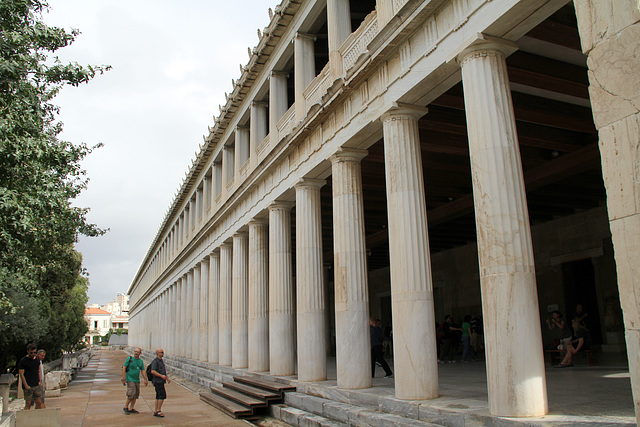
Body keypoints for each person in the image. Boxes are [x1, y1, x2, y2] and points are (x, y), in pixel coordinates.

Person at [121, 347, 148, 414]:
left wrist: (145, 379)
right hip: (130, 379)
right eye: (135, 351)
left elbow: (143, 370)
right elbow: (124, 367)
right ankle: (126, 407)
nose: (136, 353)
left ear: (140, 353)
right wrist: (124, 378)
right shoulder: (129, 359)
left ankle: (131, 408)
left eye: (138, 352)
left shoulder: (140, 361)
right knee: (131, 394)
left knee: (136, 395)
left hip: (136, 380)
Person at [18, 343, 43, 410]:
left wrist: (39, 381)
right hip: (28, 385)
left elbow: (39, 371)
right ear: (28, 351)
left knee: (39, 402)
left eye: (34, 352)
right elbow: (21, 374)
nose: (33, 354)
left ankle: (36, 416)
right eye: (31, 353)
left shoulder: (37, 360)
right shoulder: (23, 361)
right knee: (28, 403)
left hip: (36, 384)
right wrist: (26, 385)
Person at [149, 348, 171, 417]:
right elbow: (153, 371)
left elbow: (163, 370)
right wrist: (161, 376)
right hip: (157, 381)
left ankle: (156, 410)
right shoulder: (155, 362)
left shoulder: (161, 361)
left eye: (163, 352)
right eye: (161, 352)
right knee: (162, 395)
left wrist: (167, 377)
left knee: (158, 396)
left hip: (161, 381)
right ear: (157, 353)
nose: (163, 353)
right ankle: (158, 410)